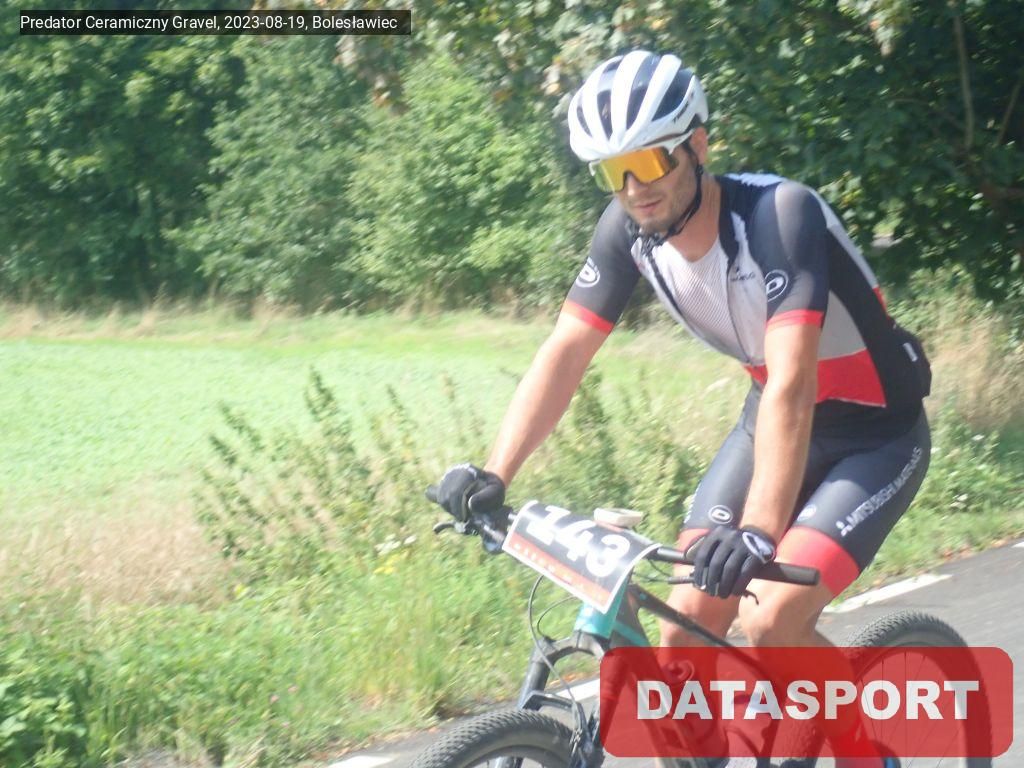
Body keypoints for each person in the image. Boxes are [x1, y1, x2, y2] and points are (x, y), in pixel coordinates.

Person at [431, 48, 931, 662]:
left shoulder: (778, 215)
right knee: (684, 629)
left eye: (648, 162)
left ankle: (863, 730)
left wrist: (757, 532)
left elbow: (793, 382)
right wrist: (495, 473)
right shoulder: (626, 233)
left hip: (875, 435)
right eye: (613, 172)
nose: (633, 189)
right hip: (770, 422)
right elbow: (566, 350)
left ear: (697, 145)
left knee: (771, 621)